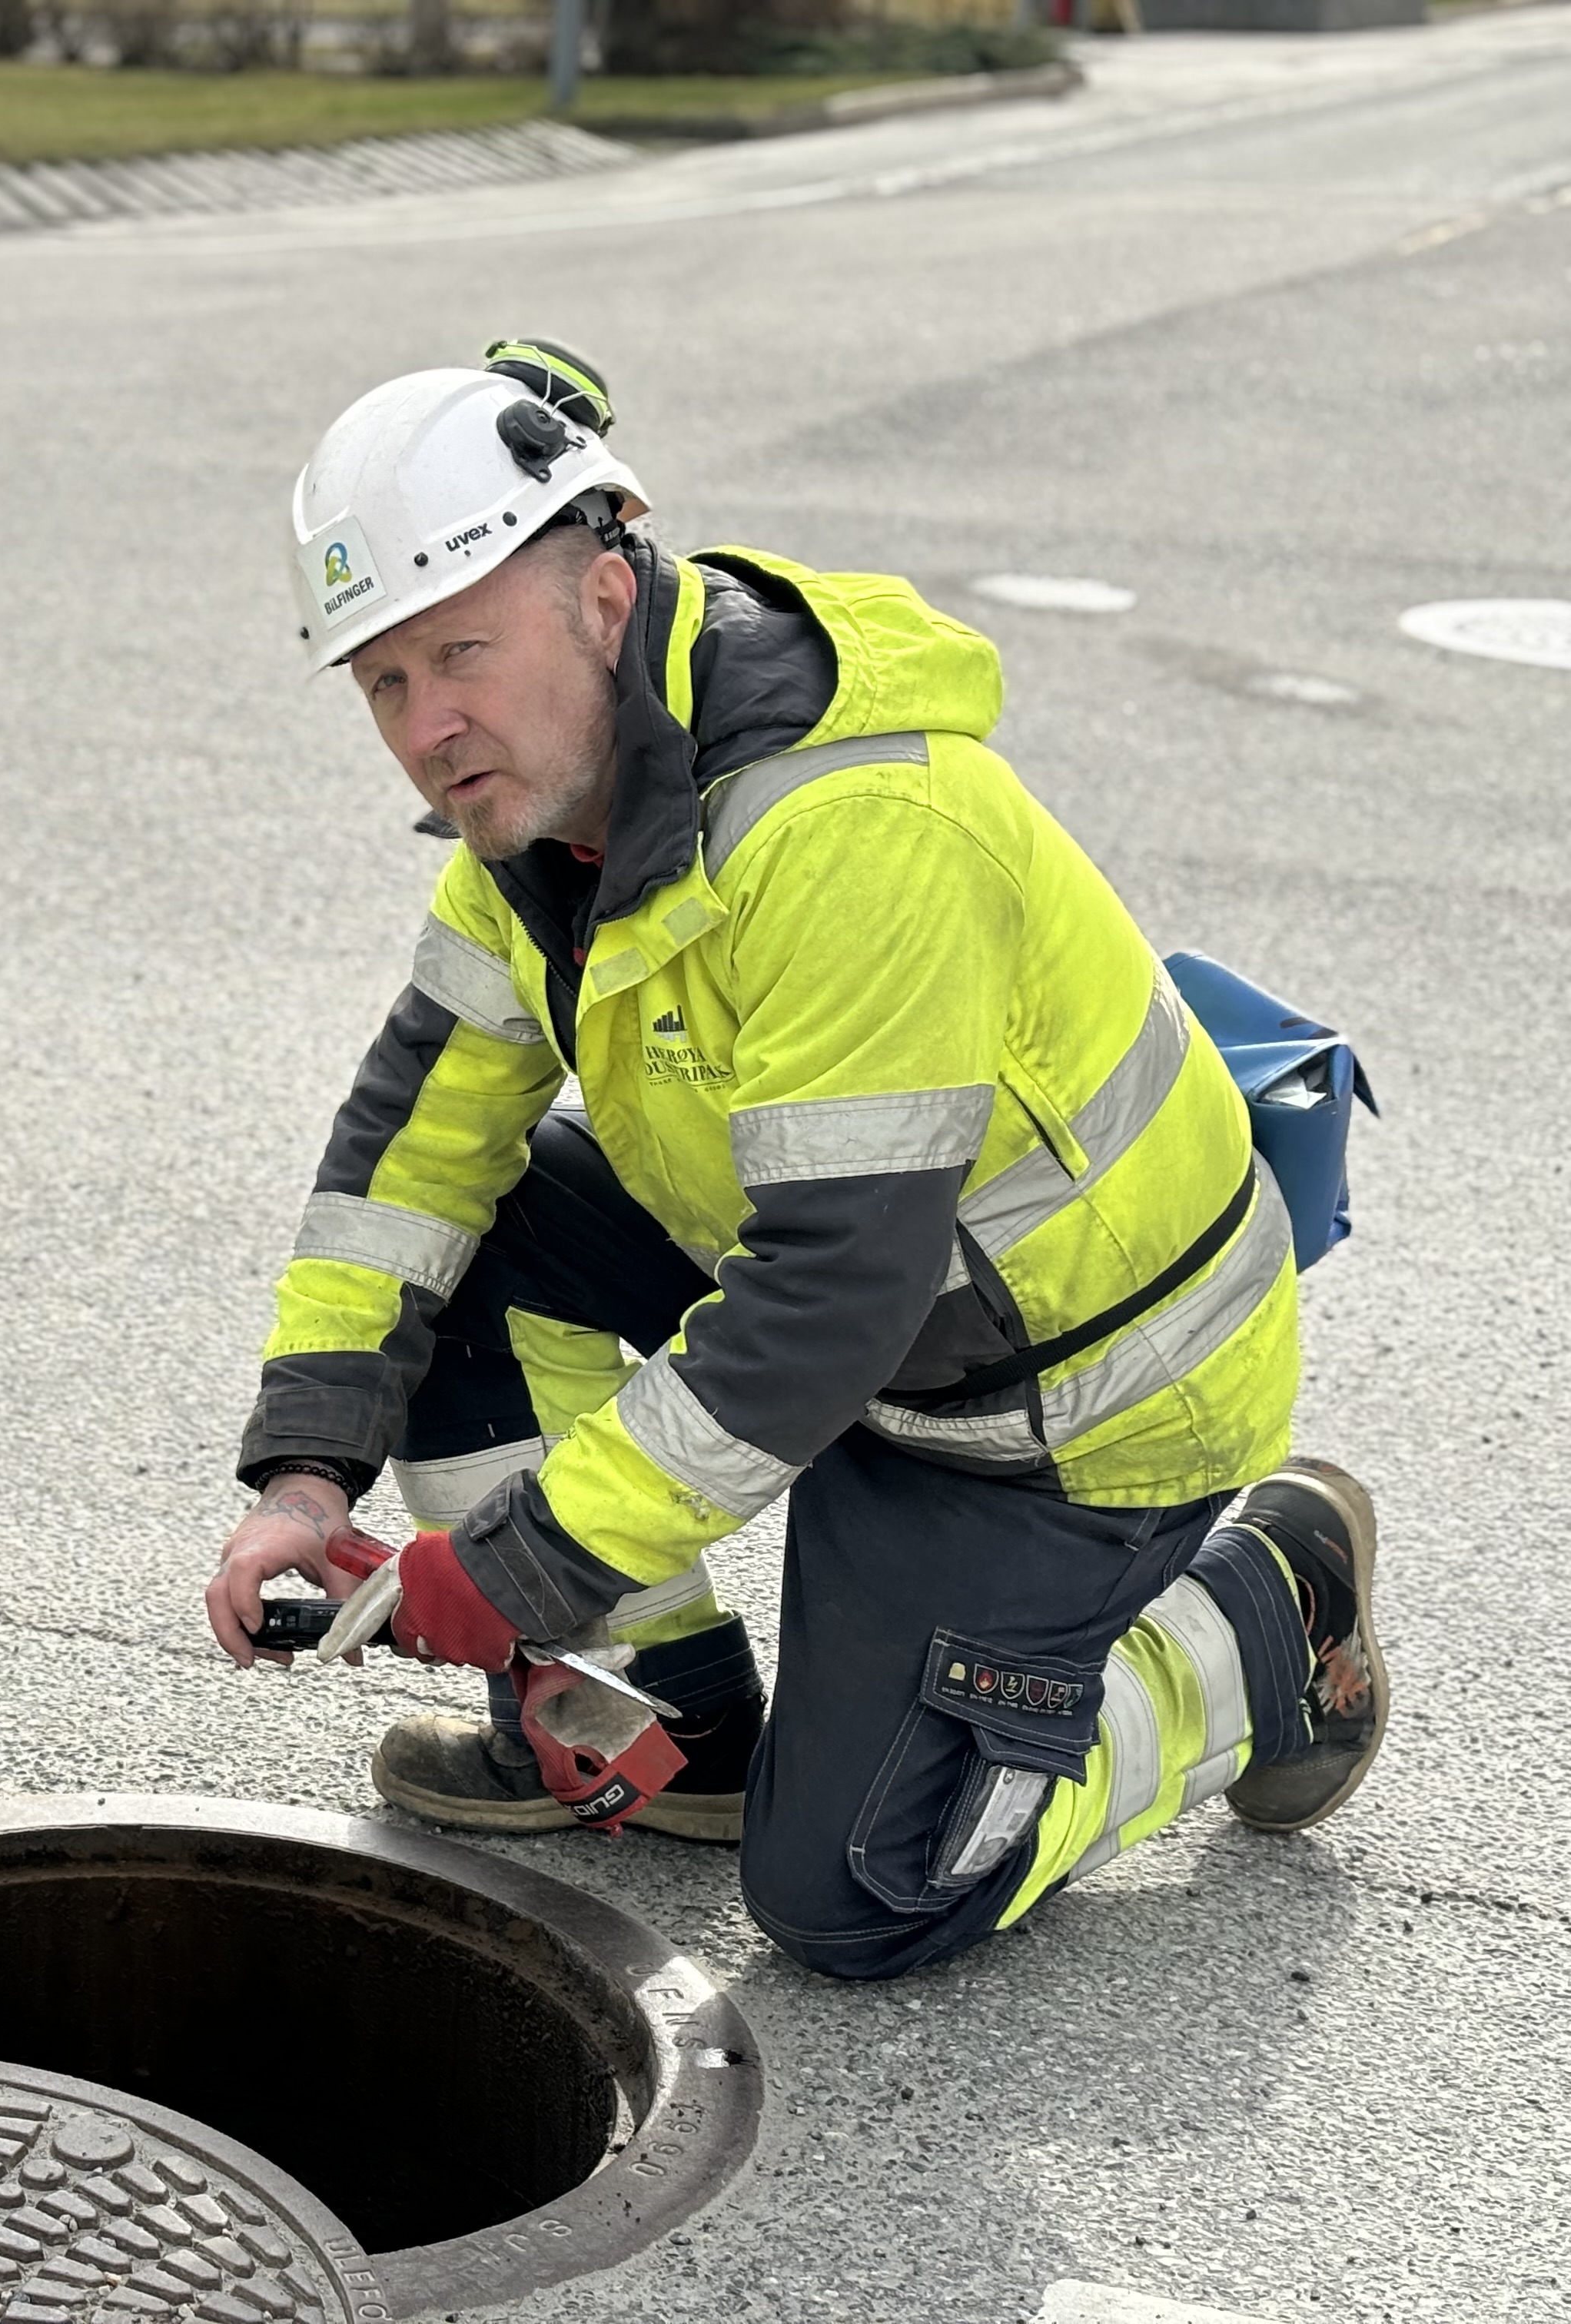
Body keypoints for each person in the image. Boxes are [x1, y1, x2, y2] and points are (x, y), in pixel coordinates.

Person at [202, 343, 1389, 1979]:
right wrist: (304, 1476)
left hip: (1071, 1402)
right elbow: (405, 1161)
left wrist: (517, 1568)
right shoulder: (535, 821)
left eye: (462, 651)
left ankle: (1263, 1615)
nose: (430, 725)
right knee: (461, 1236)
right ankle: (665, 1727)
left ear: (606, 594)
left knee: (858, 1894)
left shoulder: (848, 824)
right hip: (883, 1327)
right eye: (386, 682)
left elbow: (831, 1291)